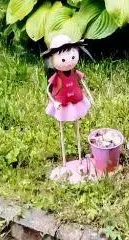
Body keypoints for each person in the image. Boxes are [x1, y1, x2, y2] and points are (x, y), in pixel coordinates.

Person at [41, 33, 93, 167]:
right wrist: (54, 101)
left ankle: (81, 157)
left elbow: (84, 84)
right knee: (62, 128)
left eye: (73, 56)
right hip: (62, 103)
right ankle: (64, 160)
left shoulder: (75, 73)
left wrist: (89, 95)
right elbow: (48, 90)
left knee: (77, 126)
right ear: (52, 59)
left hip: (76, 101)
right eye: (63, 59)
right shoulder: (56, 77)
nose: (69, 61)